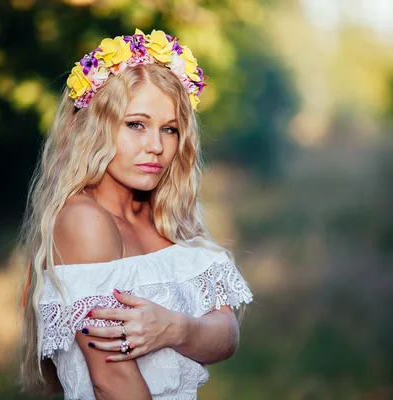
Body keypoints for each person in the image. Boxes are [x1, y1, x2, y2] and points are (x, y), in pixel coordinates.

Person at [19, 29, 253, 399]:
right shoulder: (85, 221)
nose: (156, 146)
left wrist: (176, 329)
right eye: (135, 125)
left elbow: (227, 335)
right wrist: (191, 329)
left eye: (170, 129)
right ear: (95, 127)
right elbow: (112, 382)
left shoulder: (172, 216)